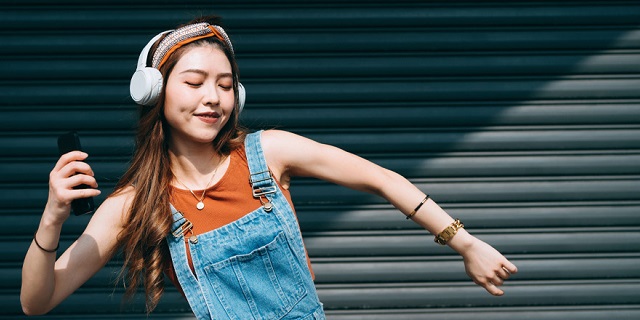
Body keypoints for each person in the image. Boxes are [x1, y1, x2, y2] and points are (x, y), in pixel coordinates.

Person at [20, 15, 517, 319]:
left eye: (224, 83)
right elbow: (36, 301)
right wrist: (53, 218)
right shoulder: (135, 203)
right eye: (194, 83)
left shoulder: (268, 152)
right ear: (154, 92)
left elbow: (382, 178)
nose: (212, 98)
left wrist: (464, 242)